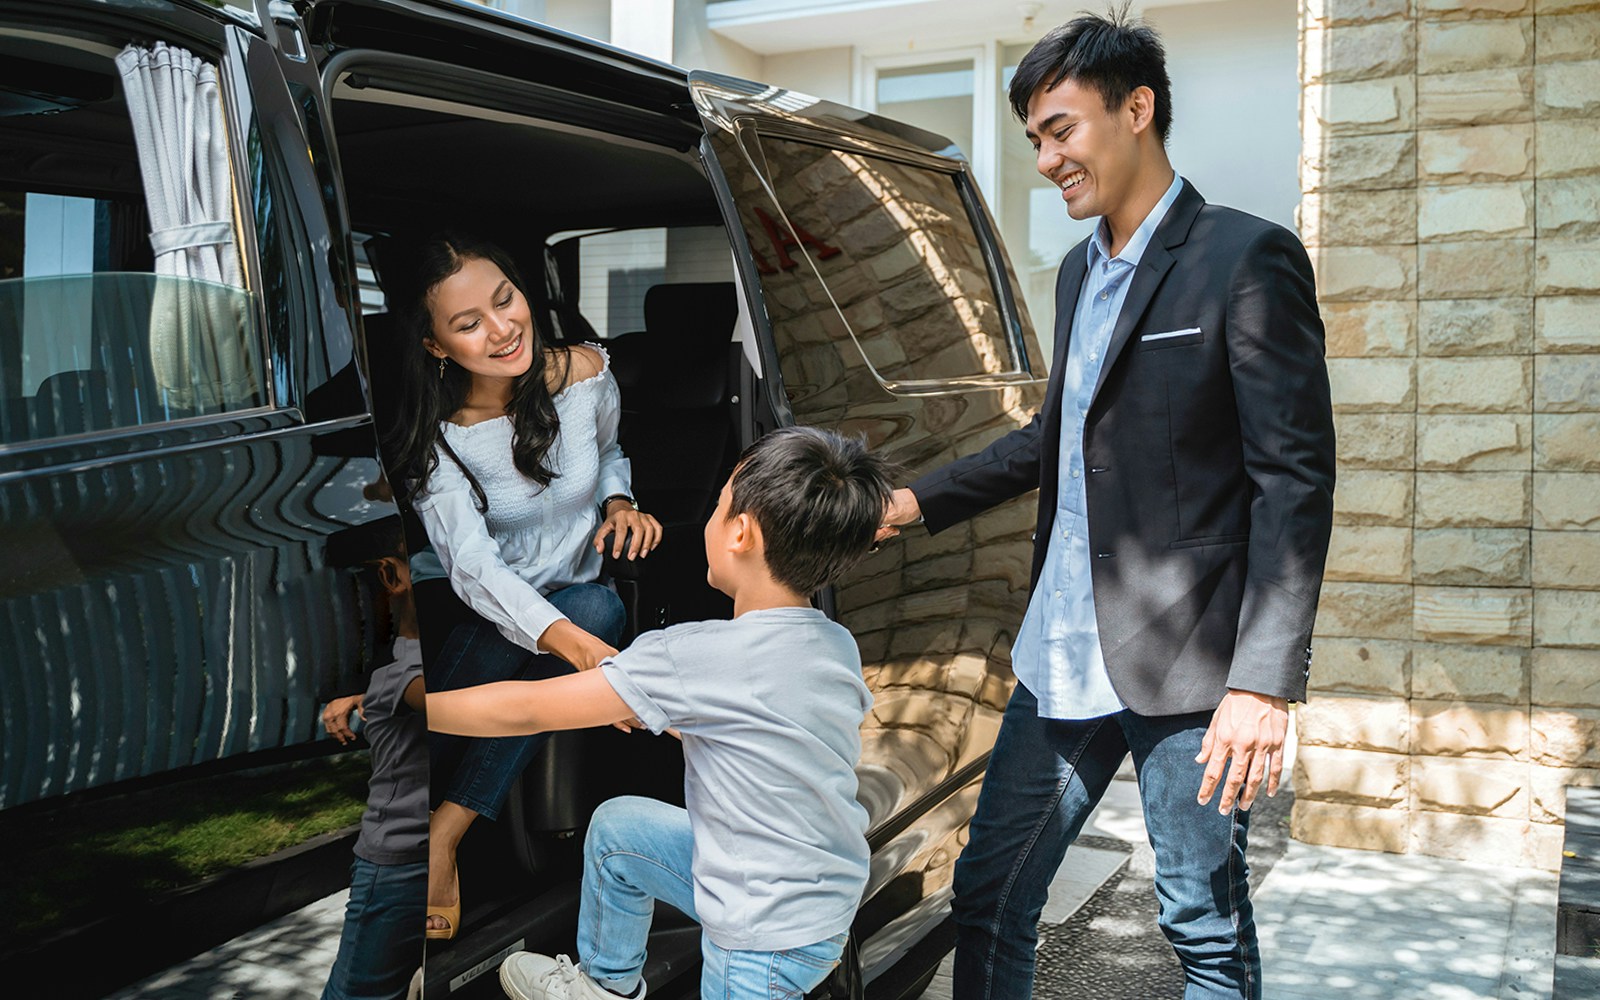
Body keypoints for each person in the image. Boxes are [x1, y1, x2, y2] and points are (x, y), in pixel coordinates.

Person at [876, 11, 1336, 999]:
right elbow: (1056, 438)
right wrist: (909, 502)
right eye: (1034, 139)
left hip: (1193, 664)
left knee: (1201, 926)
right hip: (1062, 647)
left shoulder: (1245, 258)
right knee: (988, 894)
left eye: (1061, 130)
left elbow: (1293, 480)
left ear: (1136, 110)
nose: (1045, 159)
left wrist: (1263, 684)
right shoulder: (1080, 272)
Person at [425, 427, 895, 1000]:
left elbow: (525, 709)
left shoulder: (696, 656)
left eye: (718, 507)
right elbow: (766, 726)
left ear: (740, 532)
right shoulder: (832, 643)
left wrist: (414, 712)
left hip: (759, 941)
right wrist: (655, 705)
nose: (712, 519)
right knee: (620, 833)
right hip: (818, 896)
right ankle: (606, 986)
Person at [385, 233, 663, 939]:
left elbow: (609, 450)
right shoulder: (440, 441)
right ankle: (409, 817)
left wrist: (620, 503)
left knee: (595, 603)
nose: (503, 328)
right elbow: (475, 570)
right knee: (578, 620)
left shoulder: (587, 373)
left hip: (577, 600)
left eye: (505, 300)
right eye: (468, 323)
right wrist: (572, 644)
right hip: (482, 611)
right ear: (436, 345)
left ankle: (441, 835)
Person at [318, 519, 429, 1000]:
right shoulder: (400, 678)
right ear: (391, 575)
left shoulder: (401, 676)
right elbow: (438, 699)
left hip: (409, 859)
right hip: (396, 870)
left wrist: (363, 696)